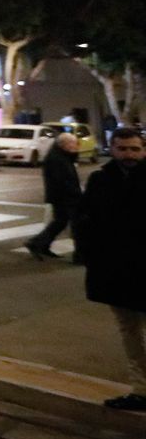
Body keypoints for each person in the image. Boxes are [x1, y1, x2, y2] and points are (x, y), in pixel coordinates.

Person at [74, 126, 146, 411]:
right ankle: (141, 389)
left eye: (134, 148)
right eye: (122, 148)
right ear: (112, 149)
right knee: (129, 332)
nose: (129, 154)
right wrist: (91, 255)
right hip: (116, 271)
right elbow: (84, 219)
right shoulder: (100, 179)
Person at [25, 133, 81, 260]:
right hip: (65, 197)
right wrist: (74, 194)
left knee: (60, 222)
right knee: (76, 225)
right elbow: (61, 180)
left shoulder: (61, 155)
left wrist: (73, 152)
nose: (75, 146)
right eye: (72, 143)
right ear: (63, 144)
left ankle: (39, 244)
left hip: (63, 196)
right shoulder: (56, 158)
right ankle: (80, 255)